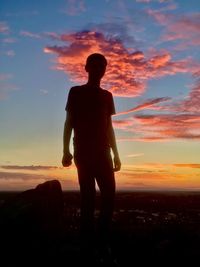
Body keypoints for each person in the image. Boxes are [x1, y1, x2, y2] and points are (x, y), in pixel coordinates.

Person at [62, 53, 121, 252]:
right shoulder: (76, 92)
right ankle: (86, 244)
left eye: (101, 66)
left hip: (104, 153)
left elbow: (109, 127)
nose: (98, 70)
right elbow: (69, 122)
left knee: (109, 198)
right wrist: (65, 150)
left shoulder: (107, 96)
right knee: (87, 199)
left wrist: (116, 153)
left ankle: (102, 242)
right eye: (94, 66)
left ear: (105, 70)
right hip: (83, 153)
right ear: (86, 68)